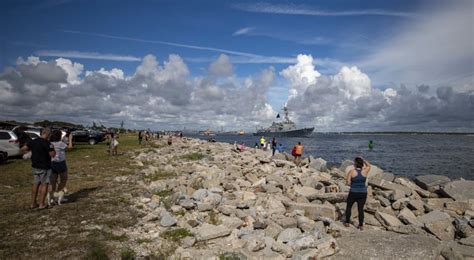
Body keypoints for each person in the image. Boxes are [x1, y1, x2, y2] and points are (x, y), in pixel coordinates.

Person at [21, 128, 55, 210]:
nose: (50, 136)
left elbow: (23, 149)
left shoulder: (33, 141)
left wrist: (31, 153)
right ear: (47, 133)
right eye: (50, 134)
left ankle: (33, 204)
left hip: (35, 166)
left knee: (36, 184)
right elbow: (52, 154)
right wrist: (53, 148)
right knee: (44, 184)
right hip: (45, 166)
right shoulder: (47, 143)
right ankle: (42, 204)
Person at [344, 157, 371, 230]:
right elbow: (369, 165)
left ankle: (347, 222)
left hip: (353, 192)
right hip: (363, 193)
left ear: (355, 164)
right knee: (360, 209)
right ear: (362, 164)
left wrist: (352, 183)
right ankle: (361, 225)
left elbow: (347, 182)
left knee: (349, 207)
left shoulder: (351, 171)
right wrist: (363, 158)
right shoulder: (365, 171)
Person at [49, 129, 73, 204]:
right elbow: (70, 148)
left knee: (53, 181)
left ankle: (52, 197)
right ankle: (59, 192)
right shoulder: (60, 143)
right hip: (60, 163)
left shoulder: (50, 143)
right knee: (63, 178)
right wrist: (70, 139)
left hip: (52, 162)